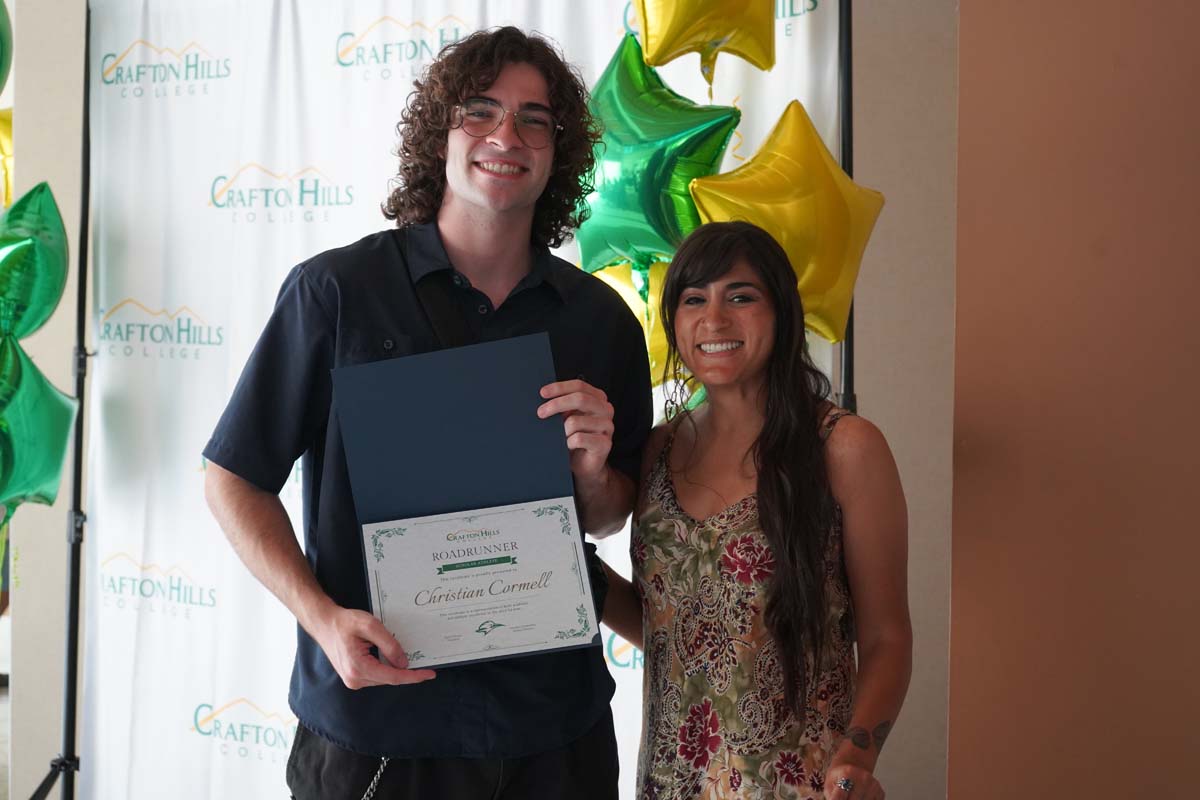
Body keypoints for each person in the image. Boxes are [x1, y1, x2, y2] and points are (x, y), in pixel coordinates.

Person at [203, 27, 651, 800]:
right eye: (481, 111)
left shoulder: (600, 321)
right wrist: (322, 619)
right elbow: (232, 477)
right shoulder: (336, 293)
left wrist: (590, 473)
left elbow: (610, 515)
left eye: (535, 120)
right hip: (381, 725)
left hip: (553, 729)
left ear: (559, 152)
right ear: (439, 132)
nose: (506, 136)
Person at [602, 221, 912, 800]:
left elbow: (886, 638)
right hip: (670, 783)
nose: (715, 320)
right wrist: (567, 567)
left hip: (800, 785)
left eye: (740, 297)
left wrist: (855, 759)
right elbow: (666, 626)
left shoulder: (843, 447)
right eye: (694, 299)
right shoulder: (657, 450)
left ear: (782, 313)